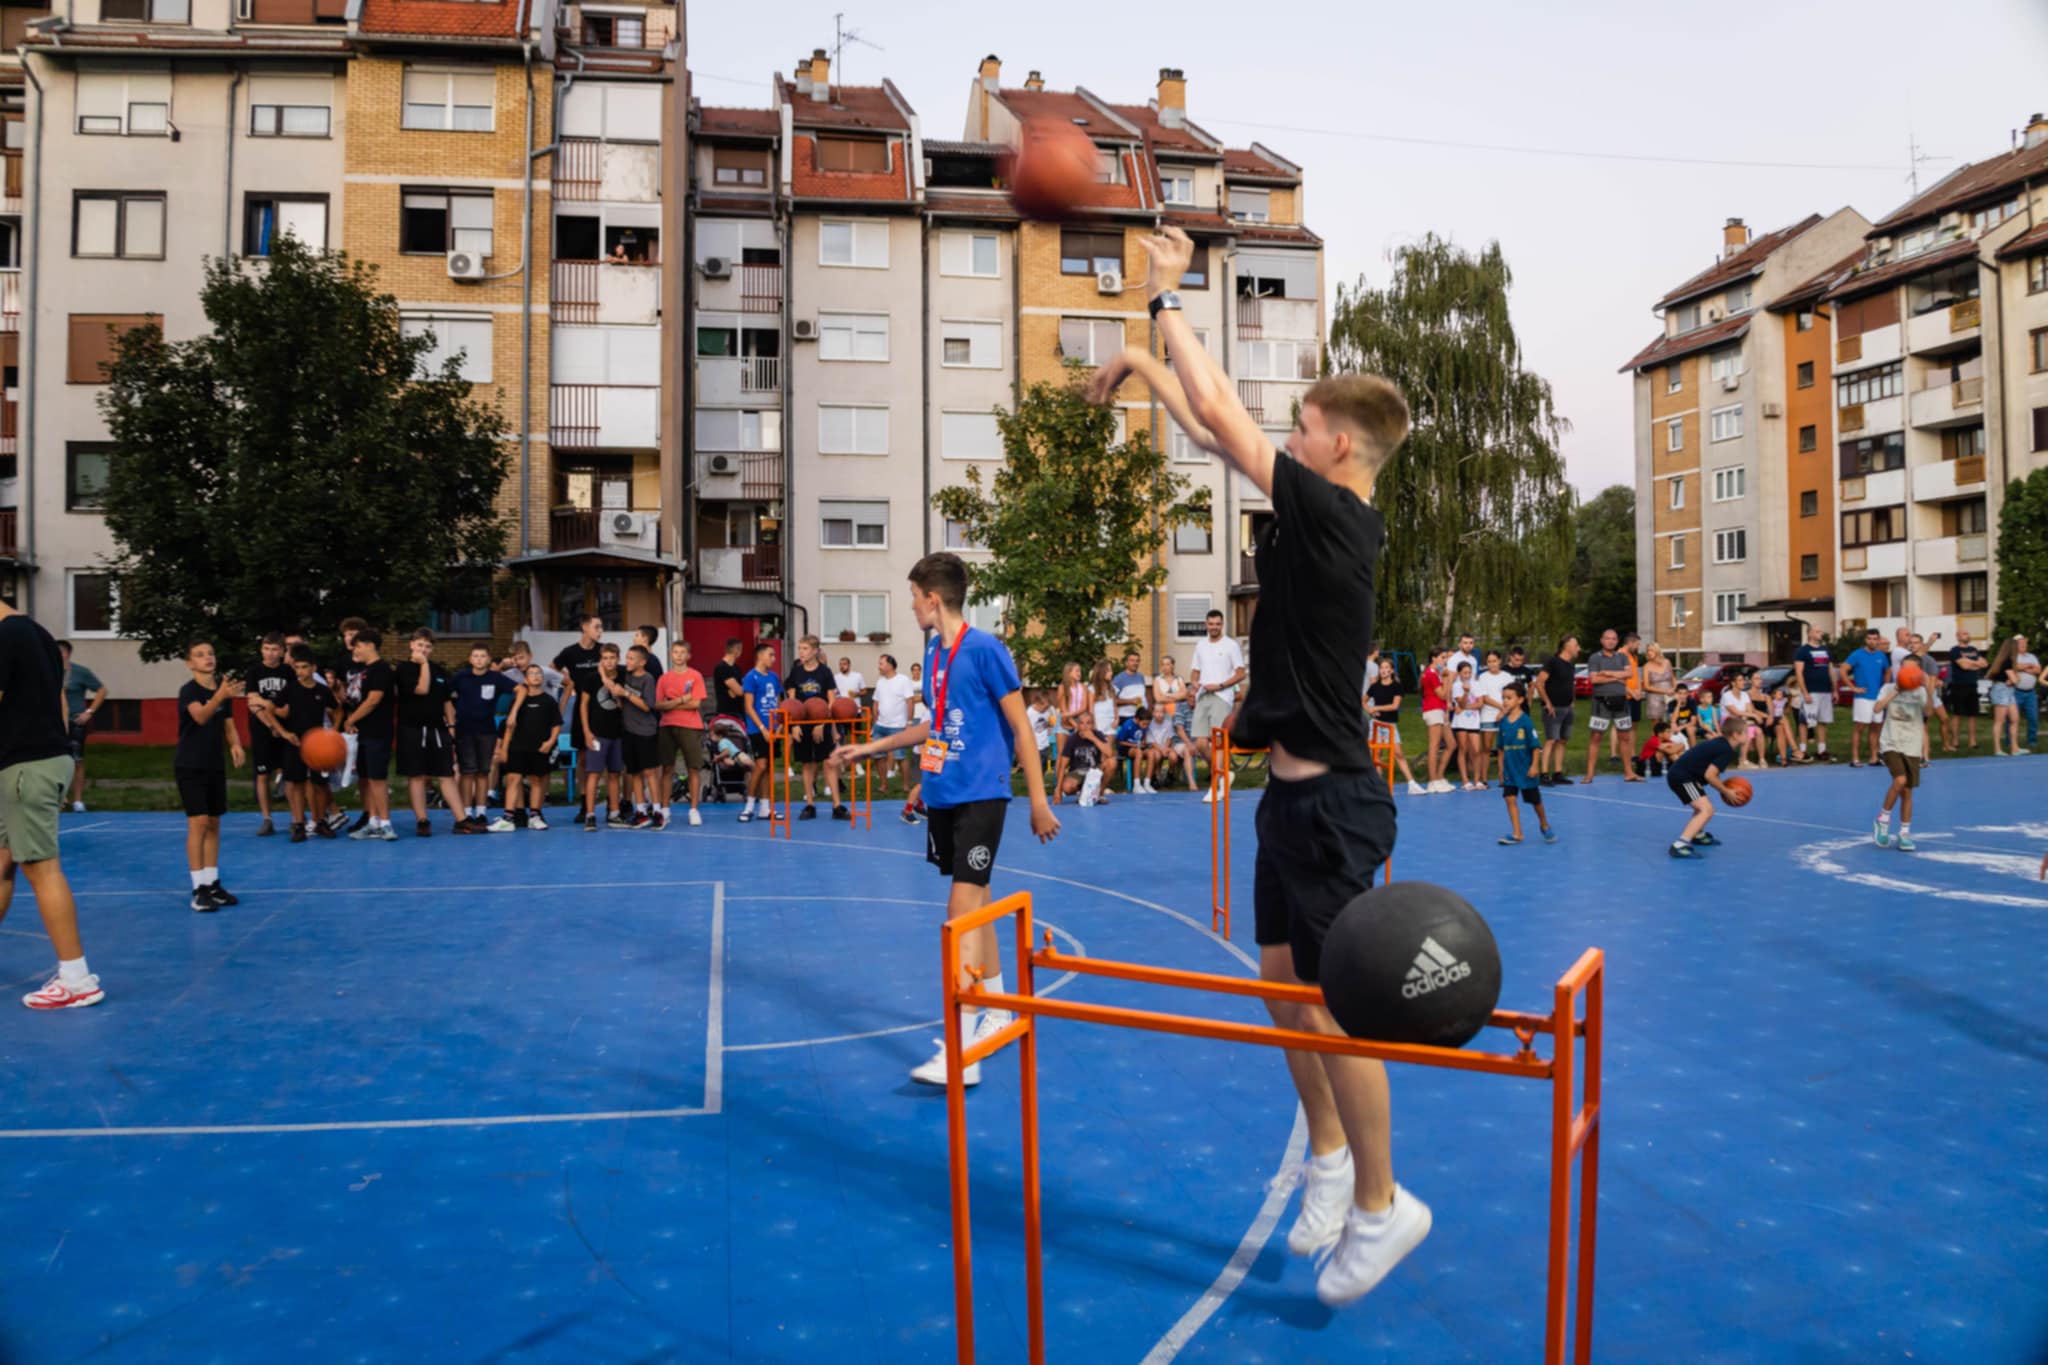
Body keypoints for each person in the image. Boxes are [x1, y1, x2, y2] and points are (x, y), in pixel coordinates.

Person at [1089, 224, 1428, 1306]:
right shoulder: (1310, 513)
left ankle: (1382, 1202)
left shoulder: (1339, 519)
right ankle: (1327, 1160)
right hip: (1284, 804)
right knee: (1280, 989)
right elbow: (1209, 423)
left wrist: (1165, 299)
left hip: (1334, 807)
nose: (1288, 437)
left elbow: (1226, 418)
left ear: (1339, 447)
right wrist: (1142, 362)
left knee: (1335, 1011)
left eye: (1303, 427)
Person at [826, 551, 1059, 1089]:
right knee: (979, 901)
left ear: (933, 599)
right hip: (944, 795)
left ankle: (963, 1049)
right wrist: (869, 748)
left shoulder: (986, 650)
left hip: (982, 795)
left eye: (913, 596)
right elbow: (933, 726)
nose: (911, 606)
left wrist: (1039, 801)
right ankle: (998, 1007)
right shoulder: (933, 652)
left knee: (960, 915)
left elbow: (1022, 729)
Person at [0, 601, 104, 1008]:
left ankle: (77, 979)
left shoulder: (6, 636)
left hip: (26, 766)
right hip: (39, 760)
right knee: (3, 861)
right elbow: (60, 700)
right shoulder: (38, 634)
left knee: (41, 868)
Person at [175, 641, 247, 910]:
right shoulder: (189, 691)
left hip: (214, 764)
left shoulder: (221, 690)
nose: (207, 658)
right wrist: (220, 696)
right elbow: (201, 717)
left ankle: (212, 883)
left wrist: (235, 744)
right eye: (200, 655)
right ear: (190, 663)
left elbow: (227, 724)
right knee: (199, 823)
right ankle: (198, 890)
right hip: (189, 764)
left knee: (214, 823)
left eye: (210, 653)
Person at [393, 630, 477, 837]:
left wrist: (451, 726)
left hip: (437, 729)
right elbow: (421, 689)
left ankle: (461, 819)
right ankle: (422, 820)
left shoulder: (438, 670)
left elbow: (446, 700)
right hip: (413, 729)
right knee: (417, 775)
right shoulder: (404, 669)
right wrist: (423, 665)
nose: (424, 649)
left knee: (446, 774)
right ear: (412, 645)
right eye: (420, 645)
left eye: (428, 646)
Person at [256, 644, 338, 842]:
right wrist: (284, 732)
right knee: (296, 783)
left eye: (304, 667)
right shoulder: (291, 689)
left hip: (317, 745)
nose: (300, 671)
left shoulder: (322, 690)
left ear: (313, 668)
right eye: (297, 667)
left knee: (320, 785)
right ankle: (299, 823)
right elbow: (269, 710)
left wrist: (334, 731)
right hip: (295, 743)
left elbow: (338, 709)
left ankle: (320, 821)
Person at [1871, 658, 1934, 851]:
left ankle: (1904, 834)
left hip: (1912, 745)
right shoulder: (1888, 688)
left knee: (1907, 791)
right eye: (1904, 668)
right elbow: (1877, 709)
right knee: (1900, 780)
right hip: (1891, 741)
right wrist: (1895, 692)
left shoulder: (1921, 691)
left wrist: (1928, 688)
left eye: (1912, 669)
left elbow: (1929, 712)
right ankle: (1882, 820)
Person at [1666, 715, 1748, 860]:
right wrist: (1726, 791)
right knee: (1706, 810)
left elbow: (1710, 773)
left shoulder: (1721, 743)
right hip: (1682, 778)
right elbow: (1710, 776)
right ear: (1735, 735)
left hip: (1683, 775)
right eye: (1745, 732)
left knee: (1702, 806)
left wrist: (1723, 788)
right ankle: (1680, 845)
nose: (1748, 735)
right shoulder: (1726, 750)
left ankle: (1697, 834)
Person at [342, 628, 398, 840]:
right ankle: (373, 821)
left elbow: (373, 700)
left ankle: (386, 823)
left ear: (370, 646)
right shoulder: (365, 670)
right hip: (363, 733)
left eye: (358, 646)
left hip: (378, 731)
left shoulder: (381, 669)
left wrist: (351, 720)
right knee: (366, 779)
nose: (355, 650)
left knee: (377, 778)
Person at [783, 634, 846, 820]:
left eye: (805, 649)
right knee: (807, 764)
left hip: (821, 723)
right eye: (800, 648)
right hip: (802, 724)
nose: (801, 652)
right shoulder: (796, 672)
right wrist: (794, 724)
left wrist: (823, 722)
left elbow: (831, 701)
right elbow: (792, 702)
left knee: (828, 762)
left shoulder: (825, 672)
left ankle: (837, 805)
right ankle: (810, 804)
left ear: (815, 651)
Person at [1189, 610, 1247, 801]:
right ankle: (1223, 775)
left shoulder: (1231, 645)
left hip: (1222, 696)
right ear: (1206, 624)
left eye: (1217, 624)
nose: (1214, 627)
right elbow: (1195, 671)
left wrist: (1220, 685)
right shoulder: (1200, 645)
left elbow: (1241, 673)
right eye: (1211, 623)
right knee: (1200, 743)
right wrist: (1194, 685)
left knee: (1218, 743)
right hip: (1203, 695)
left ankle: (1215, 786)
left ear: (1222, 625)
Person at [553, 614, 607, 820]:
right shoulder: (570, 652)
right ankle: (585, 804)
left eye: (601, 627)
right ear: (585, 627)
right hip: (581, 708)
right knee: (583, 758)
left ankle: (611, 803)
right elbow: (552, 668)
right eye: (597, 627)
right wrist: (569, 682)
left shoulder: (603, 651)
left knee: (605, 755)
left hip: (602, 707)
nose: (600, 631)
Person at [241, 632, 294, 836]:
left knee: (290, 775)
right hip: (263, 730)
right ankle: (267, 819)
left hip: (286, 729)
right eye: (266, 649)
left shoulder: (288, 672)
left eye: (274, 649)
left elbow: (287, 708)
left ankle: (296, 818)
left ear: (282, 651)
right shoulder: (254, 671)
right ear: (261, 650)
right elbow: (254, 705)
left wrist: (266, 704)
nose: (270, 653)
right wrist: (273, 726)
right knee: (263, 774)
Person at [448, 644, 505, 829]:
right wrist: (450, 720)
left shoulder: (495, 678)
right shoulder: (461, 677)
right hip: (464, 730)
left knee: (483, 772)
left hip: (487, 731)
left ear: (488, 659)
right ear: (470, 659)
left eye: (483, 656)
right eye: (476, 656)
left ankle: (481, 812)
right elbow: (445, 696)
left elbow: (520, 689)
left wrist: (513, 714)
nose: (479, 659)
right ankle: (466, 813)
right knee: (467, 772)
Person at [497, 664, 560, 830]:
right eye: (532, 673)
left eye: (539, 673)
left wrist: (550, 742)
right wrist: (504, 748)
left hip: (539, 747)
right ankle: (508, 819)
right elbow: (510, 726)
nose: (536, 676)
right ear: (525, 679)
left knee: (536, 780)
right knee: (513, 779)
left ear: (543, 678)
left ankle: (534, 816)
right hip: (518, 747)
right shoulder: (517, 701)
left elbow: (556, 724)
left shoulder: (549, 701)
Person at [656, 640, 708, 828]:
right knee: (667, 768)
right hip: (667, 725)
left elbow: (695, 704)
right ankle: (665, 809)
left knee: (693, 768)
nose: (678, 655)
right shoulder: (664, 678)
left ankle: (693, 810)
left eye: (682, 652)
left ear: (688, 655)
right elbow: (659, 705)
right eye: (675, 652)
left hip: (690, 726)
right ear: (671, 655)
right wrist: (681, 699)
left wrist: (671, 703)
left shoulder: (695, 676)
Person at [1495, 683, 1554, 845]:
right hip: (1510, 770)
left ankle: (1544, 824)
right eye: (1503, 698)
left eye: (1509, 698)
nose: (1505, 701)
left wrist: (1534, 766)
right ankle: (1517, 833)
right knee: (1510, 799)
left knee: (1535, 801)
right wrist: (1501, 769)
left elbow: (1535, 747)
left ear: (1520, 700)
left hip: (1526, 770)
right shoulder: (1503, 723)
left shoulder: (1526, 722)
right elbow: (1500, 749)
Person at [580, 643, 631, 830]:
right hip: (597, 733)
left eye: (612, 658)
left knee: (615, 773)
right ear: (600, 660)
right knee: (593, 773)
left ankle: (614, 813)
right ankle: (590, 815)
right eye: (605, 658)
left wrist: (618, 697)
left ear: (618, 659)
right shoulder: (591, 679)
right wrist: (587, 731)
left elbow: (625, 704)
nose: (609, 662)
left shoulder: (624, 676)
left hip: (618, 733)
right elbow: (583, 705)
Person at [57, 641, 107, 815]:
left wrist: (89, 712)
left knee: (76, 760)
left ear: (68, 654)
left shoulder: (80, 672)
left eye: (61, 652)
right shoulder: (45, 671)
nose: (58, 655)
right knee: (54, 761)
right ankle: (59, 798)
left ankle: (77, 800)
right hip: (53, 723)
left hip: (74, 721)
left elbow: (101, 690)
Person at [1364, 659, 1425, 795]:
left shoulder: (1397, 686)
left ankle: (1412, 784)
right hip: (1376, 724)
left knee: (1399, 754)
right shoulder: (1375, 686)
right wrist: (1369, 710)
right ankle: (1378, 785)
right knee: (1376, 755)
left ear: (1391, 670)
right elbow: (1363, 701)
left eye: (1387, 667)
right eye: (1381, 667)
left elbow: (1394, 706)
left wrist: (1376, 708)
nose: (1384, 670)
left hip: (1390, 725)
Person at [1581, 630, 1635, 783]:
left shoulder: (1622, 656)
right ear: (1601, 640)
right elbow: (1594, 680)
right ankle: (1589, 774)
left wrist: (1607, 673)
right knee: (1596, 737)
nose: (1611, 641)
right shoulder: (1595, 658)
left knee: (1624, 737)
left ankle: (1629, 773)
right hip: (1601, 702)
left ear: (1617, 641)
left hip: (1621, 702)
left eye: (1614, 639)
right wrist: (1617, 677)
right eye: (1607, 638)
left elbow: (1629, 674)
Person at [620, 644, 664, 828]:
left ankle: (658, 811)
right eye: (627, 658)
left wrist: (625, 693)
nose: (627, 661)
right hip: (628, 730)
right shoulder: (625, 675)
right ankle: (641, 811)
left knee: (649, 772)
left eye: (631, 659)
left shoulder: (648, 679)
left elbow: (647, 706)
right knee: (634, 772)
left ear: (642, 662)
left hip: (646, 731)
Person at [738, 642, 782, 823]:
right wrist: (763, 728)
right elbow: (749, 707)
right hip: (758, 729)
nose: (774, 658)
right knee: (761, 766)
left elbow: (778, 703)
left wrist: (779, 725)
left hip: (773, 728)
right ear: (760, 656)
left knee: (769, 768)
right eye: (771, 655)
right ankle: (749, 806)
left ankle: (765, 808)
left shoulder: (774, 677)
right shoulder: (751, 677)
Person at [869, 654, 919, 796]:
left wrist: (909, 722)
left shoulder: (903, 680)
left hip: (898, 725)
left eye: (881, 664)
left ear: (890, 665)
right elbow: (875, 702)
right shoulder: (880, 682)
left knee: (900, 757)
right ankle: (884, 785)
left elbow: (910, 701)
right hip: (880, 725)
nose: (879, 666)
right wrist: (874, 722)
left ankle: (906, 786)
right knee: (878, 756)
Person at [1842, 627, 1892, 769]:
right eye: (1869, 639)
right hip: (1863, 697)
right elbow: (1843, 670)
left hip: (1878, 697)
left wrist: (1885, 687)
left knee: (1876, 727)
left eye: (1875, 639)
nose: (1872, 641)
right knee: (1859, 727)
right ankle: (1855, 758)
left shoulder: (1881, 656)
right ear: (1865, 640)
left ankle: (1874, 757)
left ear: (1878, 640)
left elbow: (1888, 670)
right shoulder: (1857, 654)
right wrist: (1853, 687)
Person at [1537, 636, 1578, 788]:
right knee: (1551, 739)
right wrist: (1547, 703)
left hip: (1567, 707)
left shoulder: (1570, 666)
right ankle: (1544, 774)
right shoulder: (1553, 662)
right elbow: (1539, 683)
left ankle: (1558, 773)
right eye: (1576, 645)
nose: (1578, 648)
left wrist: (1572, 700)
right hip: (1553, 707)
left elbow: (1570, 684)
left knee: (1562, 740)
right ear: (1567, 646)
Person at [1790, 624, 1834, 763]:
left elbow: (1830, 670)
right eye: (1817, 631)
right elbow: (1799, 673)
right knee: (1805, 721)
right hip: (1811, 691)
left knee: (1822, 720)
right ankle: (1803, 750)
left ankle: (1822, 750)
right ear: (1810, 634)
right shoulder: (1802, 651)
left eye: (1821, 631)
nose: (1821, 633)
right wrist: (1805, 692)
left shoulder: (1825, 650)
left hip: (1825, 690)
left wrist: (1834, 689)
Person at [1054, 710, 1113, 804]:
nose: (1085, 726)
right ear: (1078, 725)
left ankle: (1099, 794)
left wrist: (1093, 738)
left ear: (1093, 725)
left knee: (1112, 762)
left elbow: (1109, 753)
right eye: (1082, 723)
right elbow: (1063, 766)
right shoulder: (1072, 739)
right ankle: (1082, 793)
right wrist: (1058, 790)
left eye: (1088, 723)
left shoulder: (1098, 734)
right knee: (1067, 787)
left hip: (1094, 770)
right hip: (1077, 772)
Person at [1943, 628, 1985, 752]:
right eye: (1964, 634)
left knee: (1972, 714)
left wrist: (1970, 663)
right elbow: (1964, 666)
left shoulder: (1974, 650)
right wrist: (1975, 663)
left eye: (1967, 633)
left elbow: (1984, 663)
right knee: (1958, 714)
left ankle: (1972, 741)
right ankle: (1955, 741)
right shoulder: (1955, 650)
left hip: (1972, 685)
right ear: (1958, 636)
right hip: (1959, 685)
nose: (1967, 635)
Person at [1419, 646, 1454, 792]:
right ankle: (1432, 781)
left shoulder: (1437, 673)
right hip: (1433, 709)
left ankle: (1439, 777)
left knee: (1451, 744)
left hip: (1440, 709)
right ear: (1434, 658)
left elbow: (1444, 695)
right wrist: (1447, 679)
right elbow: (1442, 694)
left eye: (1446, 657)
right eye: (1442, 657)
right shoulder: (1431, 673)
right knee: (1434, 745)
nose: (1445, 660)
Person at [1473, 651, 1511, 785]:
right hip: (1487, 716)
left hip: (1505, 716)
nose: (1492, 664)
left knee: (1502, 749)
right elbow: (1485, 698)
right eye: (1489, 661)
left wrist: (1504, 711)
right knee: (1487, 748)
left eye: (1494, 661)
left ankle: (1502, 777)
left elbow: (1511, 697)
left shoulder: (1507, 677)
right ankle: (1484, 779)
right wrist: (1501, 707)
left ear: (1499, 661)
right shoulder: (1483, 677)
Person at [1448, 660, 1483, 790]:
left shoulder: (1477, 684)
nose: (1467, 675)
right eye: (1465, 673)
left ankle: (1477, 780)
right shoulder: (1457, 686)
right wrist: (1466, 692)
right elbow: (1461, 703)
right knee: (1463, 749)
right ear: (1459, 674)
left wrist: (1464, 707)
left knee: (1476, 750)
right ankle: (1465, 780)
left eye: (1469, 672)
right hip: (1461, 722)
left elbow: (1480, 703)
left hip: (1474, 721)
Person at [1987, 636, 2023, 756]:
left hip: (2009, 690)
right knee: (1999, 720)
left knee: (2015, 719)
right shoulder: (2006, 662)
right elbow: (2016, 680)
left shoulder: (2007, 662)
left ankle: (2015, 748)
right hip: (2002, 690)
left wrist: (2013, 680)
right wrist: (2014, 679)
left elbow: (2015, 679)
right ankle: (1997, 749)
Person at [1153, 655, 1191, 755]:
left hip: (1178, 712)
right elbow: (1158, 698)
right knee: (1167, 736)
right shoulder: (1158, 680)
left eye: (1167, 664)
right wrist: (1176, 696)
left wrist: (1166, 695)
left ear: (1172, 665)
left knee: (1178, 735)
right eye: (1163, 664)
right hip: (1164, 713)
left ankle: (1178, 758)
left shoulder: (1179, 679)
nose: (1165, 667)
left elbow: (1184, 695)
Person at [1117, 705, 1154, 792]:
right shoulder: (1127, 725)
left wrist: (1143, 742)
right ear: (1137, 719)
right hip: (1125, 747)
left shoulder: (1144, 726)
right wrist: (1134, 745)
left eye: (1147, 724)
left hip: (1138, 746)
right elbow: (1119, 741)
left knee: (1151, 753)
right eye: (1144, 724)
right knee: (1138, 753)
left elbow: (1143, 735)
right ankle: (1136, 785)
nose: (1145, 726)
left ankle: (1147, 783)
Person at [2013, 634, 2040, 750]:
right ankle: (2011, 742)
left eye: (2025, 642)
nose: (2024, 644)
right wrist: (2029, 666)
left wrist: (2023, 668)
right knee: (2013, 719)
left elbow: (2038, 670)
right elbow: (2015, 667)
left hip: (2031, 693)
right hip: (2016, 692)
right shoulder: (2013, 656)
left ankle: (2032, 741)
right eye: (2021, 642)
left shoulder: (2032, 656)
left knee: (2033, 717)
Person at [1640, 642, 1675, 729]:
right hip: (1654, 698)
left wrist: (1674, 689)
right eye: (1648, 650)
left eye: (1651, 650)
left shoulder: (1667, 662)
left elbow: (1672, 678)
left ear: (1657, 651)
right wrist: (1665, 691)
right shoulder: (1646, 667)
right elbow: (1646, 686)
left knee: (1671, 722)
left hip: (1669, 696)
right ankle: (1656, 738)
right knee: (1656, 726)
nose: (1649, 652)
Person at [1113, 650, 1151, 730]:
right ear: (1126, 663)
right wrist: (1130, 701)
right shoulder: (1119, 679)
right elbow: (1112, 700)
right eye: (1132, 660)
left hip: (1140, 717)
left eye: (1137, 661)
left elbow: (1144, 696)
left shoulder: (1140, 676)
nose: (1135, 663)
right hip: (1125, 717)